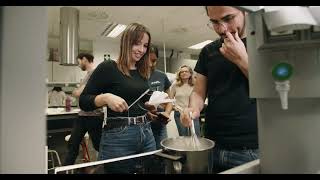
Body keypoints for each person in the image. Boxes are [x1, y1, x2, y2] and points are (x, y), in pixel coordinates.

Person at [180, 6, 259, 173]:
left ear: (245, 11)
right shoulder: (208, 51)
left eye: (229, 18)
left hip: (251, 149)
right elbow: (198, 92)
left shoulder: (263, 45)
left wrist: (242, 60)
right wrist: (193, 108)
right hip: (211, 145)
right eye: (214, 22)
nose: (222, 29)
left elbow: (275, 91)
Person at [79, 23, 156, 174]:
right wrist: (105, 98)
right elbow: (84, 101)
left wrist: (150, 109)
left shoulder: (142, 72)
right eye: (136, 43)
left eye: (145, 45)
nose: (141, 50)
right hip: (119, 137)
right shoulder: (108, 67)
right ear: (126, 42)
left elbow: (137, 102)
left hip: (147, 133)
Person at [63, 53, 103, 168]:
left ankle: (105, 167)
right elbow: (79, 92)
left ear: (84, 59)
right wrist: (78, 91)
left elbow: (78, 92)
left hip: (94, 116)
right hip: (83, 115)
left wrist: (76, 91)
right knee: (73, 144)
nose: (78, 64)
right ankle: (65, 169)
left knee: (98, 145)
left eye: (79, 61)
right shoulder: (87, 75)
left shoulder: (94, 74)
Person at [147, 44, 172, 149]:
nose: (151, 64)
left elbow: (169, 99)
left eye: (154, 61)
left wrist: (166, 113)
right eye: (148, 60)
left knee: (162, 151)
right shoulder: (135, 76)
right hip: (144, 124)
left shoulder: (161, 76)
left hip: (160, 122)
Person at [168, 65, 200, 136]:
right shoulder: (175, 85)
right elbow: (170, 99)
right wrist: (174, 106)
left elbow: (198, 99)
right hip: (179, 113)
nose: (184, 73)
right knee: (184, 136)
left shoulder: (195, 85)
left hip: (193, 113)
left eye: (186, 71)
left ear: (190, 73)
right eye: (182, 72)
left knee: (196, 135)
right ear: (179, 74)